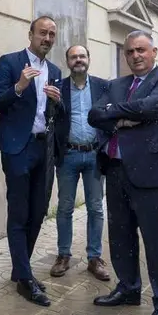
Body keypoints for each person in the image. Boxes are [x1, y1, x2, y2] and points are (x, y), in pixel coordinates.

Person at [87, 30, 158, 315]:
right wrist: (124, 117)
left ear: (154, 52)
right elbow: (94, 115)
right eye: (130, 51)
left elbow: (154, 106)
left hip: (154, 173)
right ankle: (129, 288)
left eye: (141, 50)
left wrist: (115, 113)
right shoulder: (116, 85)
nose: (135, 56)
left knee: (157, 241)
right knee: (120, 236)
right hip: (116, 170)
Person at [0, 16, 62, 307]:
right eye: (42, 33)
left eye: (52, 35)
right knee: (19, 212)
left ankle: (21, 270)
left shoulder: (55, 71)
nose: (47, 38)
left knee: (38, 211)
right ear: (30, 34)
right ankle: (24, 277)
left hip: (43, 148)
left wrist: (58, 102)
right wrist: (19, 85)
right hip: (17, 148)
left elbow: (55, 114)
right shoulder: (9, 62)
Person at [50, 45, 110, 281]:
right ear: (67, 62)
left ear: (88, 59)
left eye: (82, 56)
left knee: (95, 207)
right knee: (65, 207)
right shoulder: (58, 87)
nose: (78, 60)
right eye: (73, 57)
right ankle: (63, 255)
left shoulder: (102, 86)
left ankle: (94, 258)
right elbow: (50, 117)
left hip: (94, 155)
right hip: (68, 156)